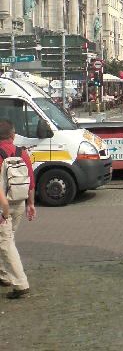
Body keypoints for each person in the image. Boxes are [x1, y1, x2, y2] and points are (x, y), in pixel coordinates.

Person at [0, 120, 36, 299]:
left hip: (3, 206)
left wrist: (4, 210)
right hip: (19, 203)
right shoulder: (22, 153)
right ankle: (3, 275)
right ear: (13, 135)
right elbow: (31, 181)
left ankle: (20, 283)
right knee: (6, 239)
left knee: (5, 242)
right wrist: (31, 204)